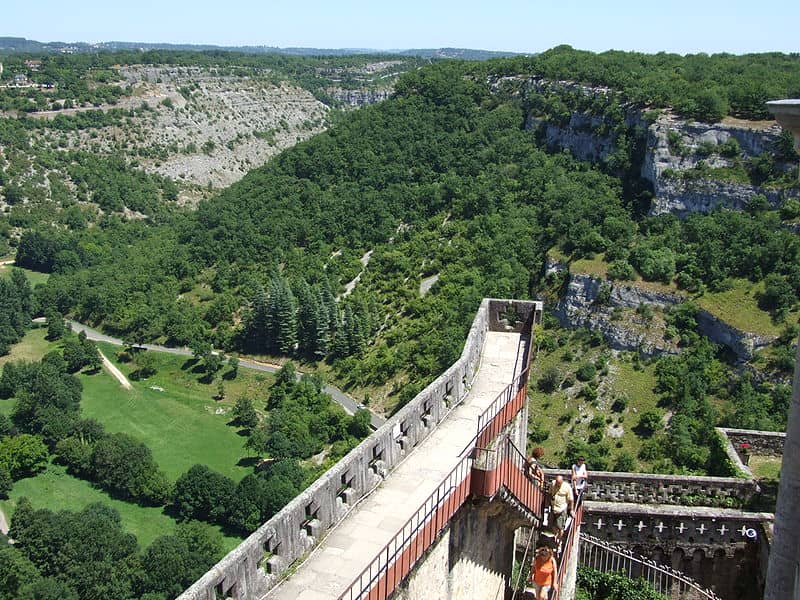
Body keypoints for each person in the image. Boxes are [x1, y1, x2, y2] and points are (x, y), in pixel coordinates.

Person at [549, 475, 574, 542]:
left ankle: (559, 541)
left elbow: (571, 499)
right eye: (556, 483)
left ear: (562, 482)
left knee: (560, 527)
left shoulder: (567, 487)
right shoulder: (553, 484)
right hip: (553, 507)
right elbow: (549, 494)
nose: (557, 485)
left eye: (558, 483)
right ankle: (555, 536)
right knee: (552, 525)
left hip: (561, 509)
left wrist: (571, 510)